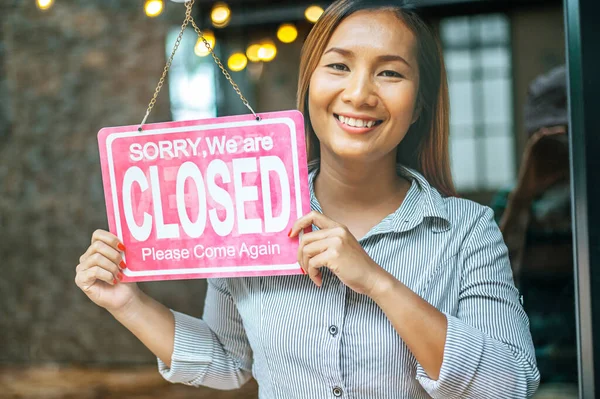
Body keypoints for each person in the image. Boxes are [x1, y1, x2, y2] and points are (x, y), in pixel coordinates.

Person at [75, 0, 540, 397]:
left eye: (390, 73)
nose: (359, 94)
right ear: (310, 84)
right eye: (338, 66)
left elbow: (510, 383)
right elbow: (227, 359)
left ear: (419, 103)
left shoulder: (466, 230)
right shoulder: (249, 212)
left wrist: (379, 283)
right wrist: (127, 303)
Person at [491, 65, 576, 385]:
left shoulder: (587, 202)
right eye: (541, 139)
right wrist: (524, 195)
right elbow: (493, 276)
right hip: (531, 366)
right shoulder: (509, 202)